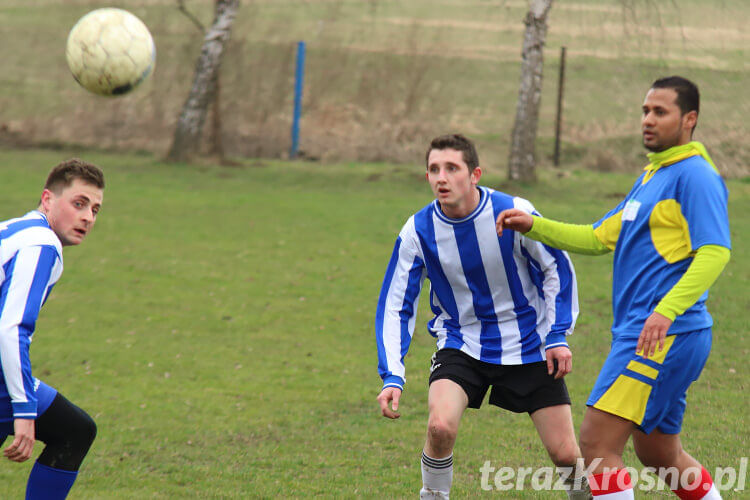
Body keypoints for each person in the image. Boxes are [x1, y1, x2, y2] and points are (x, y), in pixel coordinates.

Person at [496, 76, 730, 500]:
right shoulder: (654, 175)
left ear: (689, 119)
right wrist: (535, 225)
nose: (648, 120)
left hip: (661, 333)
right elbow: (598, 237)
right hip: (657, 332)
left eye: (660, 112)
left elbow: (715, 252)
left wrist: (666, 311)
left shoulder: (695, 176)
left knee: (597, 445)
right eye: (645, 111)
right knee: (659, 452)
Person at [375, 134, 592, 499]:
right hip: (462, 342)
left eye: (451, 168)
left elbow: (556, 268)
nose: (441, 178)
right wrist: (392, 374)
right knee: (440, 427)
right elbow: (396, 303)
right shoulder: (418, 230)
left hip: (529, 343)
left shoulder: (511, 211)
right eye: (433, 169)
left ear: (474, 174)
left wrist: (557, 334)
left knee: (566, 455)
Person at [0, 159, 104, 499]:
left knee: (75, 430)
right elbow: (12, 328)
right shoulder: (42, 244)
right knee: (73, 431)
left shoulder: (14, 229)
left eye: (95, 209)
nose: (88, 217)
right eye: (79, 204)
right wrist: (24, 409)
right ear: (48, 199)